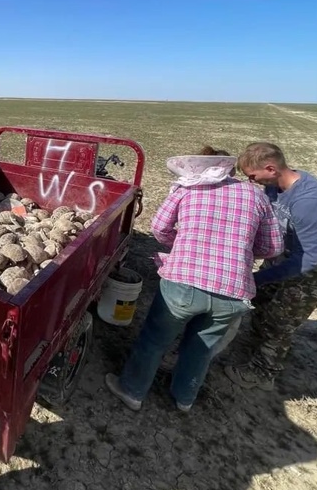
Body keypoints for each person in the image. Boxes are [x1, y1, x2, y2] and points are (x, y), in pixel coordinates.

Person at [106, 146, 284, 412]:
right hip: (233, 290)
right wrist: (241, 251)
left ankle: (132, 391)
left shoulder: (186, 189)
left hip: (184, 281)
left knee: (155, 339)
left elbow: (159, 228)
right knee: (202, 347)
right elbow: (273, 246)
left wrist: (182, 243)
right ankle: (185, 398)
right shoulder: (255, 195)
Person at [224, 142, 317, 391]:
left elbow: (308, 259)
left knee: (281, 318)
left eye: (253, 176)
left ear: (271, 169)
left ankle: (264, 371)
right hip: (289, 254)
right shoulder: (274, 186)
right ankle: (260, 344)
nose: (251, 182)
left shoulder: (309, 202)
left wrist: (258, 277)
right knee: (259, 299)